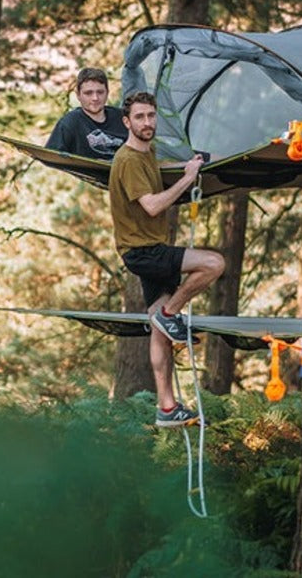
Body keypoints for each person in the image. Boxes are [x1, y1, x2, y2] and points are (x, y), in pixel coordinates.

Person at [108, 91, 225, 427]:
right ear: (127, 122)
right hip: (144, 251)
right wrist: (188, 179)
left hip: (148, 248)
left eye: (151, 116)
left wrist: (191, 165)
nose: (147, 122)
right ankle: (170, 313)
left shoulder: (147, 153)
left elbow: (157, 170)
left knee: (158, 333)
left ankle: (167, 408)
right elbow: (153, 206)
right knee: (214, 264)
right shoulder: (128, 160)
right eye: (140, 117)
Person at [45, 67, 128, 159]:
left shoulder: (122, 118)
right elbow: (50, 157)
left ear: (107, 92)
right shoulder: (69, 123)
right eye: (88, 93)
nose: (95, 98)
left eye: (100, 92)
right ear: (78, 95)